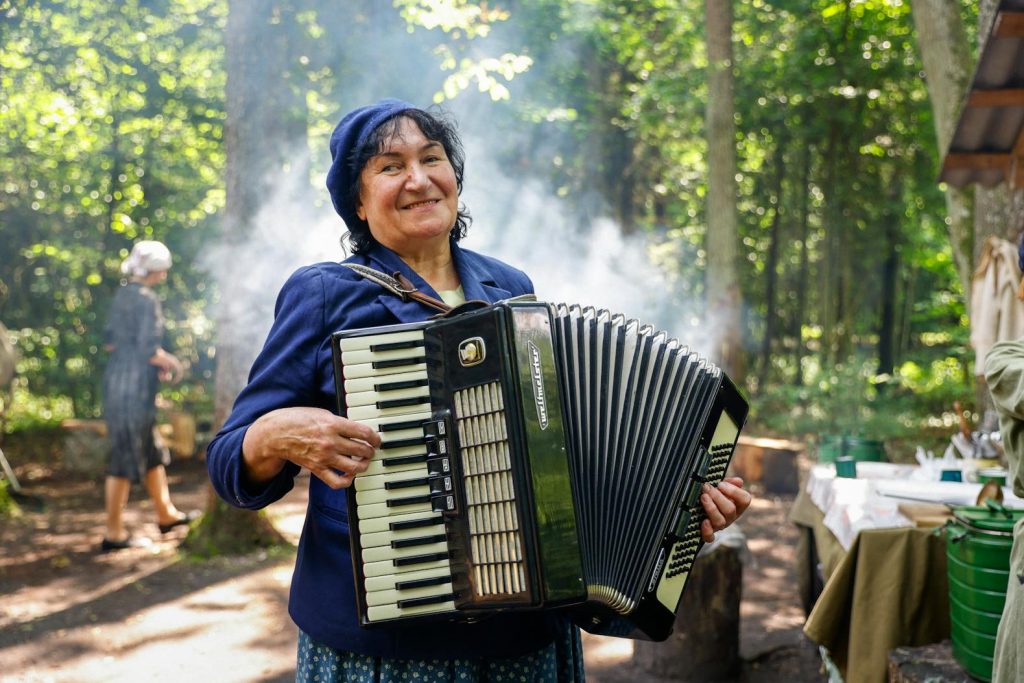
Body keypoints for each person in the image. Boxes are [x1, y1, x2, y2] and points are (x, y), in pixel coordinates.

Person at [206, 99, 752, 682]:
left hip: (524, 640)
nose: (418, 179)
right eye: (390, 166)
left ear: (455, 177)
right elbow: (229, 462)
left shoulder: (510, 288)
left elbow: (566, 453)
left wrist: (676, 505)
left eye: (431, 158)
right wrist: (272, 434)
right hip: (386, 647)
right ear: (358, 202)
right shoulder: (324, 294)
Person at [101, 240, 196, 552]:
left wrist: (140, 361)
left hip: (116, 382)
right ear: (153, 271)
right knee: (123, 455)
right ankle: (113, 534)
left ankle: (166, 514)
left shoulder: (122, 295)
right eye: (162, 270)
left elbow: (111, 343)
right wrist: (172, 362)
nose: (164, 275)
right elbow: (148, 349)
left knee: (151, 451)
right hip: (134, 390)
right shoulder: (147, 299)